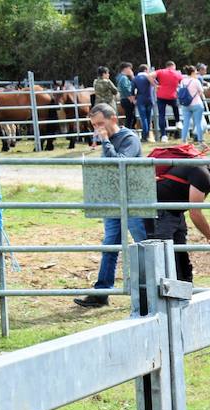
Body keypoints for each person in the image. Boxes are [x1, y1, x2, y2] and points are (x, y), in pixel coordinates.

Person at [73, 104, 147, 308]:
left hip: (132, 200)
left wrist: (105, 140)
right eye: (94, 125)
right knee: (110, 245)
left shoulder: (129, 138)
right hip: (113, 200)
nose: (97, 129)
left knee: (143, 243)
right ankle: (102, 292)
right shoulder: (108, 141)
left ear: (113, 118)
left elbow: (119, 164)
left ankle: (152, 288)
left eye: (100, 124)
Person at [147, 151, 210, 284]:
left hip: (174, 213)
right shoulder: (203, 173)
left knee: (181, 263)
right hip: (161, 213)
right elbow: (195, 213)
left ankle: (183, 298)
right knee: (166, 262)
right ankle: (160, 301)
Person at [152, 60, 182, 139]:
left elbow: (149, 75)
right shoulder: (177, 73)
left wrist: (155, 84)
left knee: (162, 115)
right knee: (175, 108)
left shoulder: (161, 71)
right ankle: (178, 121)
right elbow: (181, 82)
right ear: (173, 66)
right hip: (172, 95)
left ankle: (163, 135)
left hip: (161, 95)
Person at [179, 66, 207, 144]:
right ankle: (200, 140)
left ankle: (184, 140)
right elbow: (201, 92)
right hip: (197, 103)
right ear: (193, 72)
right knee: (198, 122)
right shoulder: (196, 81)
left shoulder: (183, 81)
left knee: (186, 123)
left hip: (186, 104)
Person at [133, 64, 155, 142]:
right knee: (149, 118)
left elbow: (132, 90)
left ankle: (144, 136)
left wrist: (133, 99)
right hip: (150, 99)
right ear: (146, 70)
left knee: (143, 118)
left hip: (140, 99)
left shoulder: (135, 78)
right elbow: (155, 84)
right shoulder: (149, 77)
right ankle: (148, 134)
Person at [114, 63, 136, 131]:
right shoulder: (124, 78)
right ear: (126, 69)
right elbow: (126, 88)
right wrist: (130, 97)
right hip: (127, 99)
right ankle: (128, 131)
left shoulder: (119, 77)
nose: (131, 71)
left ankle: (129, 131)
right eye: (130, 69)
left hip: (124, 99)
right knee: (130, 118)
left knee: (129, 117)